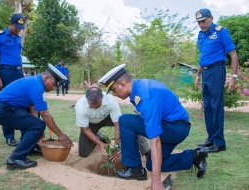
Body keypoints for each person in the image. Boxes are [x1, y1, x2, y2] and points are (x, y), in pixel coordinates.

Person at [98, 64, 209, 189]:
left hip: (175, 129)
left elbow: (155, 140)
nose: (114, 94)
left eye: (113, 90)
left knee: (125, 121)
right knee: (151, 165)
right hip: (172, 126)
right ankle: (194, 156)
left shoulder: (146, 97)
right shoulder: (139, 88)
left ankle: (135, 169)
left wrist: (156, 181)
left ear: (122, 84)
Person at [0, 64, 73, 170]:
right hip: (2, 110)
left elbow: (32, 107)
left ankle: (31, 148)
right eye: (53, 84)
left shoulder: (35, 82)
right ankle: (16, 158)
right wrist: (60, 134)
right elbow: (45, 114)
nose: (53, 88)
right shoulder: (37, 86)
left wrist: (37, 128)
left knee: (37, 125)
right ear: (46, 78)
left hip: (4, 109)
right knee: (38, 125)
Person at [194, 8, 238, 153]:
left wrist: (234, 76)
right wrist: (198, 75)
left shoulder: (221, 32)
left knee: (216, 106)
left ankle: (219, 143)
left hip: (217, 71)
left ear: (211, 18)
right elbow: (203, 57)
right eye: (199, 22)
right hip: (206, 73)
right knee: (207, 107)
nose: (201, 24)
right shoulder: (201, 35)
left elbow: (233, 54)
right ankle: (211, 139)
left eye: (203, 21)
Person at [75, 82, 150, 158]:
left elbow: (117, 124)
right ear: (86, 98)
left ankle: (147, 151)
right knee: (83, 153)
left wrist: (116, 145)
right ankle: (99, 137)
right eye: (91, 107)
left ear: (102, 97)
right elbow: (86, 129)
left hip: (107, 117)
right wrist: (99, 143)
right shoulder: (80, 106)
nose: (94, 109)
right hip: (91, 122)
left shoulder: (110, 100)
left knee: (128, 122)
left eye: (98, 106)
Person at [0, 14, 26, 147]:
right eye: (16, 27)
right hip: (6, 72)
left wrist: (23, 73)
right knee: (6, 103)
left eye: (20, 28)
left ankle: (25, 134)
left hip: (18, 72)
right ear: (10, 23)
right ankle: (9, 136)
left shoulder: (18, 38)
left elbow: (19, 58)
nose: (18, 30)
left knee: (23, 101)